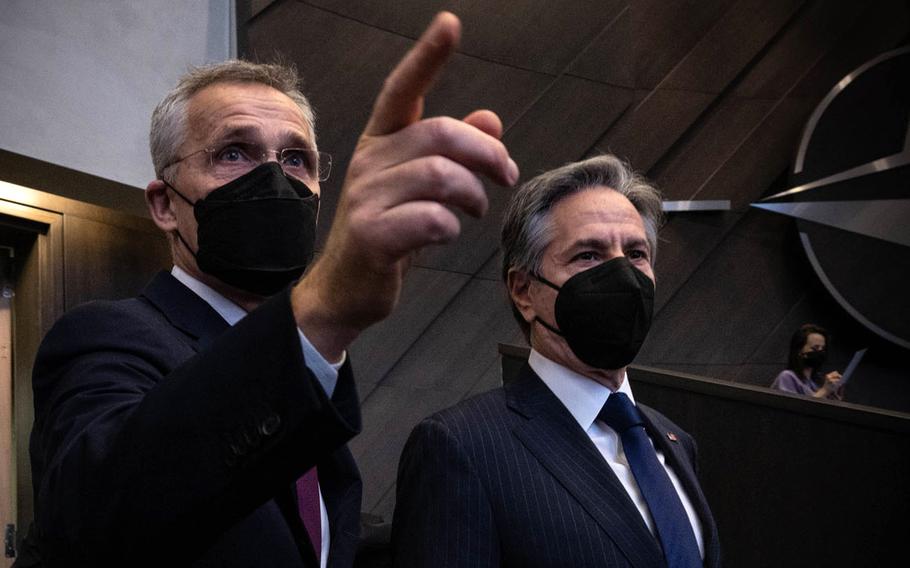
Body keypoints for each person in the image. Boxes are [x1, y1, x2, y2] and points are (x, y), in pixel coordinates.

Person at [25, 12, 517, 568]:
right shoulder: (104, 338)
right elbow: (98, 517)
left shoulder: (316, 377)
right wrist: (320, 313)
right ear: (165, 205)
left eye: (295, 159)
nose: (274, 178)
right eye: (233, 152)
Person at [392, 155, 721, 567]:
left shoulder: (675, 442)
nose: (622, 274)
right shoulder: (461, 447)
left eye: (636, 253)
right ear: (524, 291)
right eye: (588, 255)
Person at [771, 324, 843, 400]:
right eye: (815, 348)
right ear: (799, 350)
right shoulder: (787, 377)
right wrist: (824, 391)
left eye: (823, 349)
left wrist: (834, 399)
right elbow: (792, 407)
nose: (820, 352)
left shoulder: (815, 385)